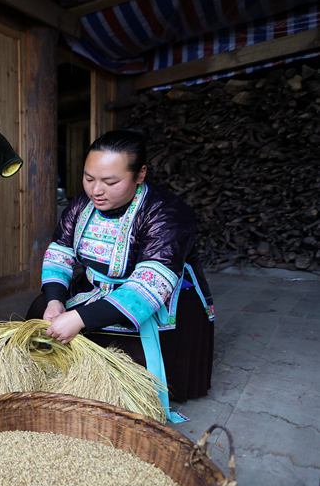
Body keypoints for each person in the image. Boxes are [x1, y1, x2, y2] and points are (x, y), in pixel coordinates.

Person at [25, 130, 214, 422]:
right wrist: (54, 301)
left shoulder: (167, 213)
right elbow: (60, 253)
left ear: (140, 174)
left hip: (157, 298)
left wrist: (79, 318)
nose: (96, 190)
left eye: (110, 182)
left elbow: (148, 287)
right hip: (97, 288)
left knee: (127, 354)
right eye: (89, 179)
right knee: (40, 311)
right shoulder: (80, 206)